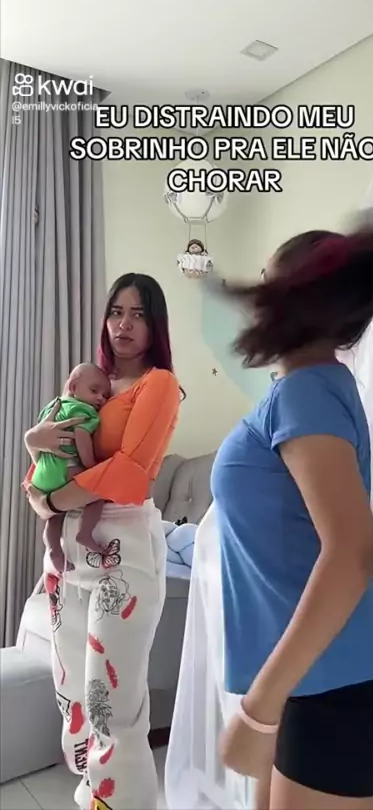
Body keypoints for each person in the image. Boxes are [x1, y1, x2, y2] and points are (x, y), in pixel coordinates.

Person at [212, 206, 373, 810]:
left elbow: (355, 550)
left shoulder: (307, 392)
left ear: (297, 299)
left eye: (268, 279)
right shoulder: (311, 389)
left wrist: (258, 709)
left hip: (343, 684)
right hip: (315, 678)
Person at [23, 273, 182, 810]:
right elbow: (39, 470)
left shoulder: (158, 384)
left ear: (155, 324)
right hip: (67, 548)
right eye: (116, 311)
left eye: (138, 314)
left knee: (110, 698)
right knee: (72, 685)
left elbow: (130, 473)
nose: (124, 324)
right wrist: (41, 493)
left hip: (121, 546)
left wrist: (50, 500)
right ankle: (91, 794)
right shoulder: (85, 387)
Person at [30, 363, 112, 574]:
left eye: (105, 395)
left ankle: (54, 549)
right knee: (97, 494)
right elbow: (81, 437)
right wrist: (90, 466)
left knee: (55, 514)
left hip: (42, 473)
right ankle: (85, 533)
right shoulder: (83, 410)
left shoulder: (52, 406)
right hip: (66, 468)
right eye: (94, 391)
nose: (100, 398)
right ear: (74, 387)